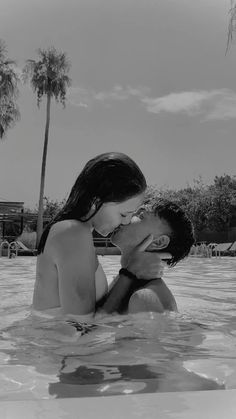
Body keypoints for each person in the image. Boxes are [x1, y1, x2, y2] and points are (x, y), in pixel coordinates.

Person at [33, 152, 166, 320]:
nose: (126, 222)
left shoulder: (71, 230)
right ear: (97, 200)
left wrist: (130, 268)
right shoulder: (73, 232)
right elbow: (80, 327)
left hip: (54, 342)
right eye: (124, 214)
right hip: (56, 344)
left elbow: (91, 313)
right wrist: (130, 273)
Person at [99, 199, 195, 314]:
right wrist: (128, 273)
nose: (126, 217)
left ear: (158, 243)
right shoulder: (125, 281)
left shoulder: (144, 298)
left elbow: (94, 328)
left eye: (140, 215)